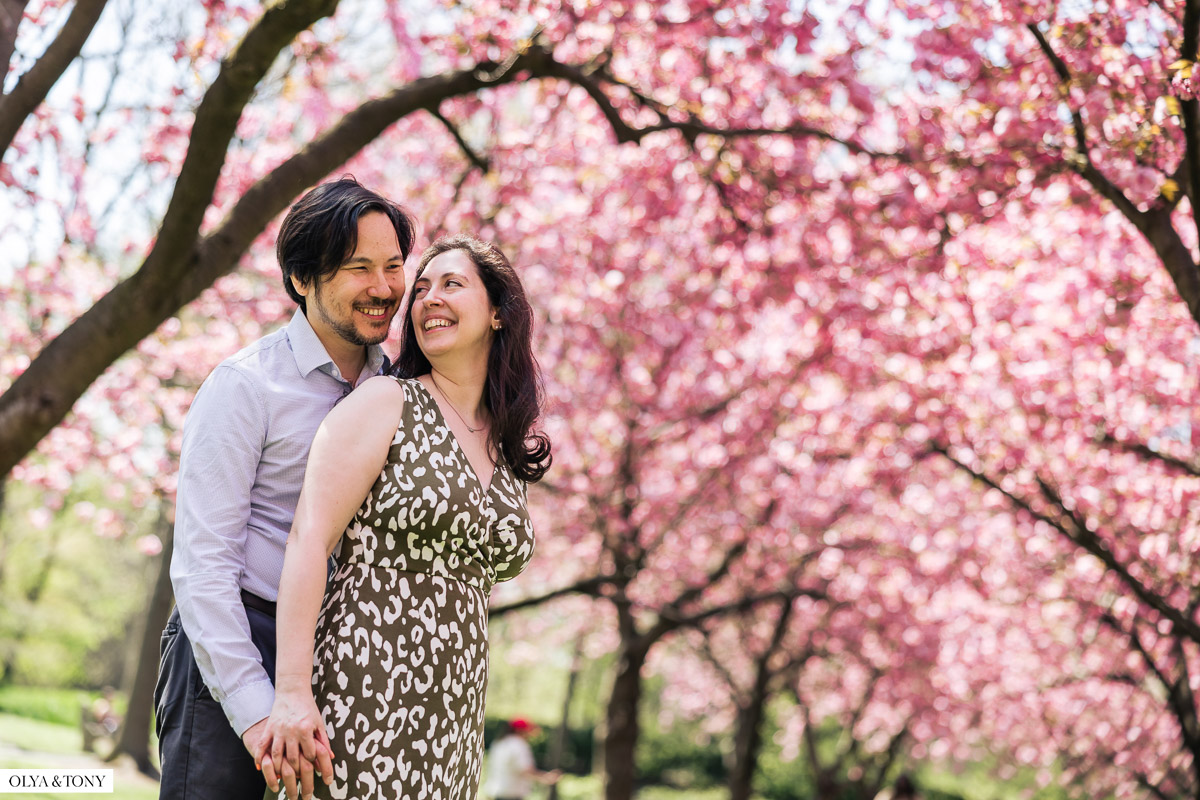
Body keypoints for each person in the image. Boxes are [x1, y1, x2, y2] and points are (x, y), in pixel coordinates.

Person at [259, 235, 552, 800]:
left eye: (451, 284)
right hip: (362, 687)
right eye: (419, 289)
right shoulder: (387, 402)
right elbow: (309, 537)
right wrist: (292, 691)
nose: (428, 299)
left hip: (456, 714)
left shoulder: (508, 445)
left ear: (497, 312)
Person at [154, 177, 416, 800]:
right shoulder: (245, 387)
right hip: (235, 642)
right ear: (302, 279)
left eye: (394, 266)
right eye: (359, 268)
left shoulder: (403, 392)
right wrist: (254, 712)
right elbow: (203, 567)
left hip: (344, 653)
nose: (383, 289)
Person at [483, 718, 562, 800]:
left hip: (496, 792)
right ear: (519, 731)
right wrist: (545, 777)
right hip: (511, 795)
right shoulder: (519, 745)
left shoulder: (499, 743)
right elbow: (526, 770)